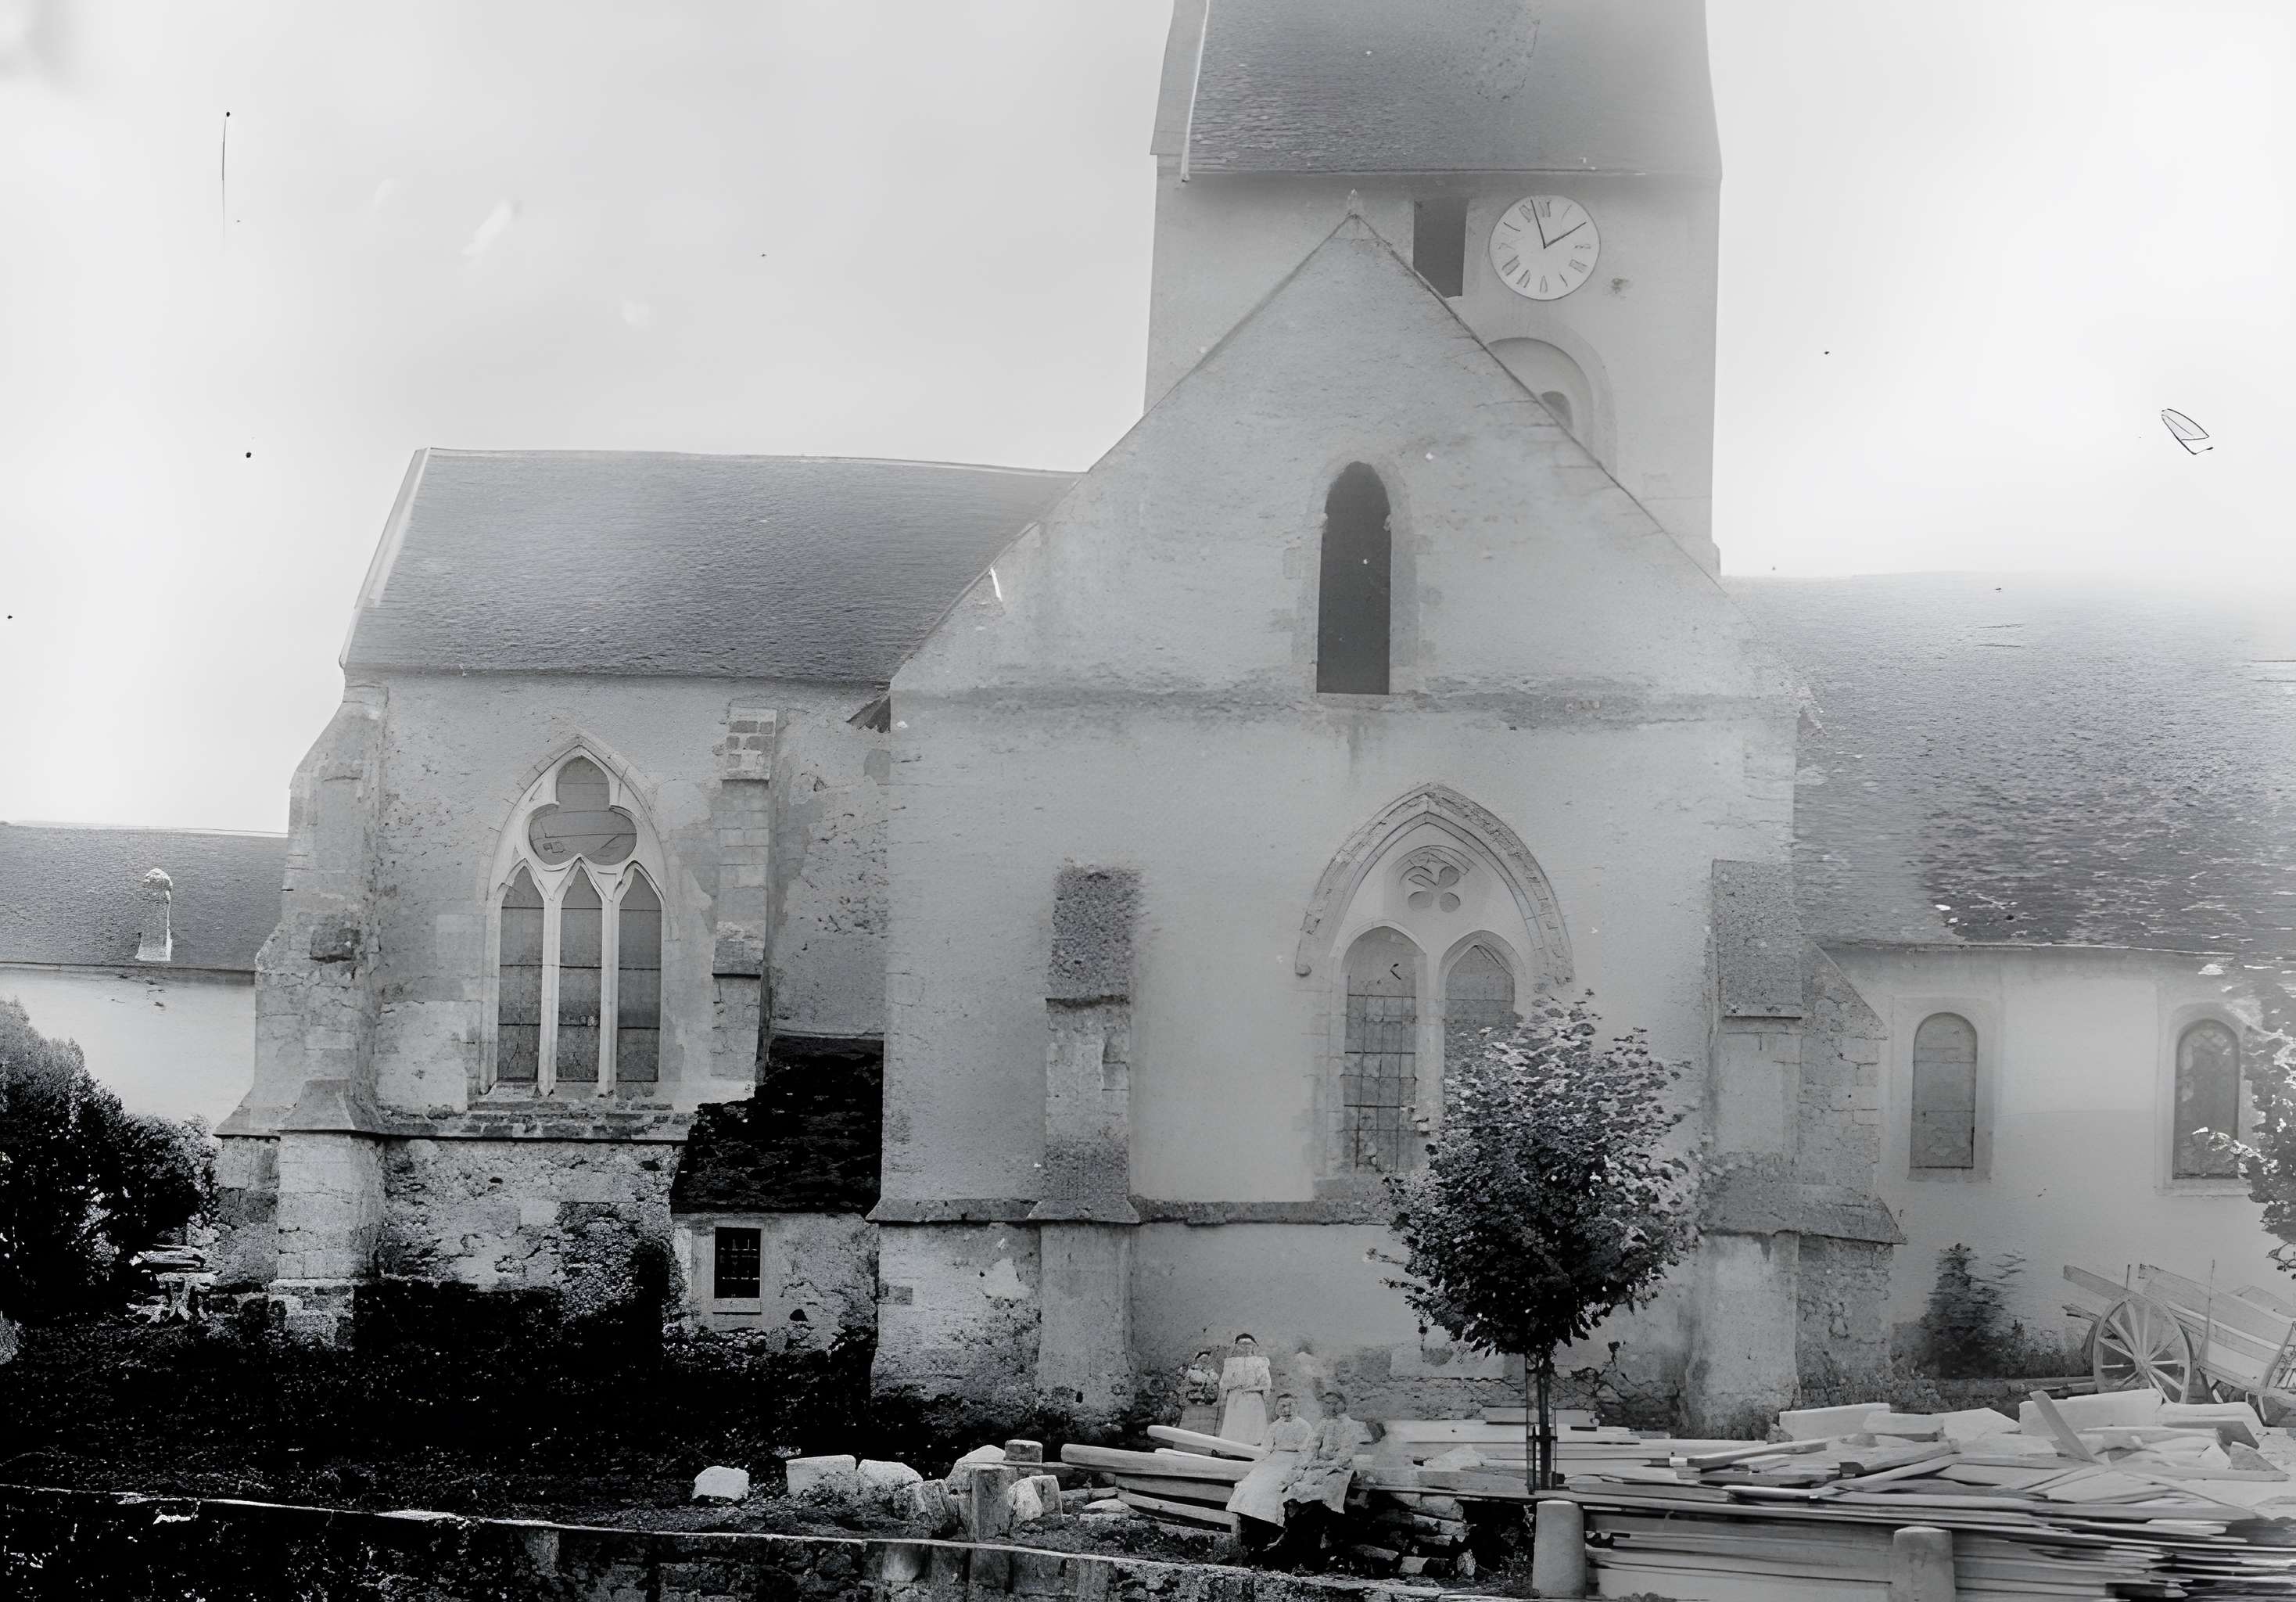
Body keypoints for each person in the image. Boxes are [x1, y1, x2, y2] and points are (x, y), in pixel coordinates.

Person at [1277, 1388, 1371, 1560]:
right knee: (1296, 1486)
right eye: (1327, 1404)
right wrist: (1308, 1463)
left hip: (1340, 1468)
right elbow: (1313, 1446)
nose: (1330, 1407)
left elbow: (1346, 1453)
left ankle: (1325, 1537)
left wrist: (1330, 1465)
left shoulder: (1349, 1425)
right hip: (1318, 1466)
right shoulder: (1323, 1423)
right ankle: (1293, 1536)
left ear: (1342, 1405)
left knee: (1327, 1491)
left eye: (1334, 1403)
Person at [1226, 1392, 1315, 1533]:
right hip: (1274, 1459)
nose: (1286, 1410)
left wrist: (1301, 1466)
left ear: (1297, 1406)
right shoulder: (1275, 1426)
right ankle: (1249, 1521)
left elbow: (1307, 1450)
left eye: (1290, 1406)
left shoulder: (1305, 1426)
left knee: (1275, 1487)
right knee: (1253, 1483)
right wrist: (1259, 1462)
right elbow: (1266, 1448)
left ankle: (1271, 1527)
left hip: (1293, 1459)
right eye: (1283, 1406)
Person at [1216, 1332, 1272, 1445]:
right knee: (1236, 1423)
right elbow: (1225, 1382)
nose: (1245, 1347)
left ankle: (1253, 1448)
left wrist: (1252, 1388)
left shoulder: (1260, 1362)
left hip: (1253, 1397)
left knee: (1253, 1424)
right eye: (1242, 1344)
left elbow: (1266, 1382)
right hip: (1235, 1398)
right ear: (1236, 1346)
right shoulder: (1231, 1362)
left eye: (1248, 1344)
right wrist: (1225, 1395)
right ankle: (1232, 1449)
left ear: (1254, 1346)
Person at [1178, 1350, 1221, 1435]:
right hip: (1192, 1404)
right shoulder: (1191, 1372)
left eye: (1206, 1360)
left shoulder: (1213, 1374)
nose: (1204, 1362)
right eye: (1202, 1360)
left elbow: (1215, 1387)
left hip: (1206, 1405)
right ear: (1197, 1360)